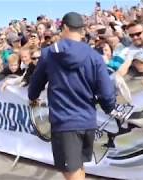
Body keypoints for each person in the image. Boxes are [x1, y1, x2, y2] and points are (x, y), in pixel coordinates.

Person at [28, 12, 116, 180]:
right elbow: (106, 92)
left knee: (71, 172)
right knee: (78, 167)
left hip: (64, 122)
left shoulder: (49, 53)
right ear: (81, 29)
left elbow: (35, 84)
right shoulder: (95, 56)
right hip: (88, 120)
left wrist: (32, 96)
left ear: (65, 27)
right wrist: (109, 107)